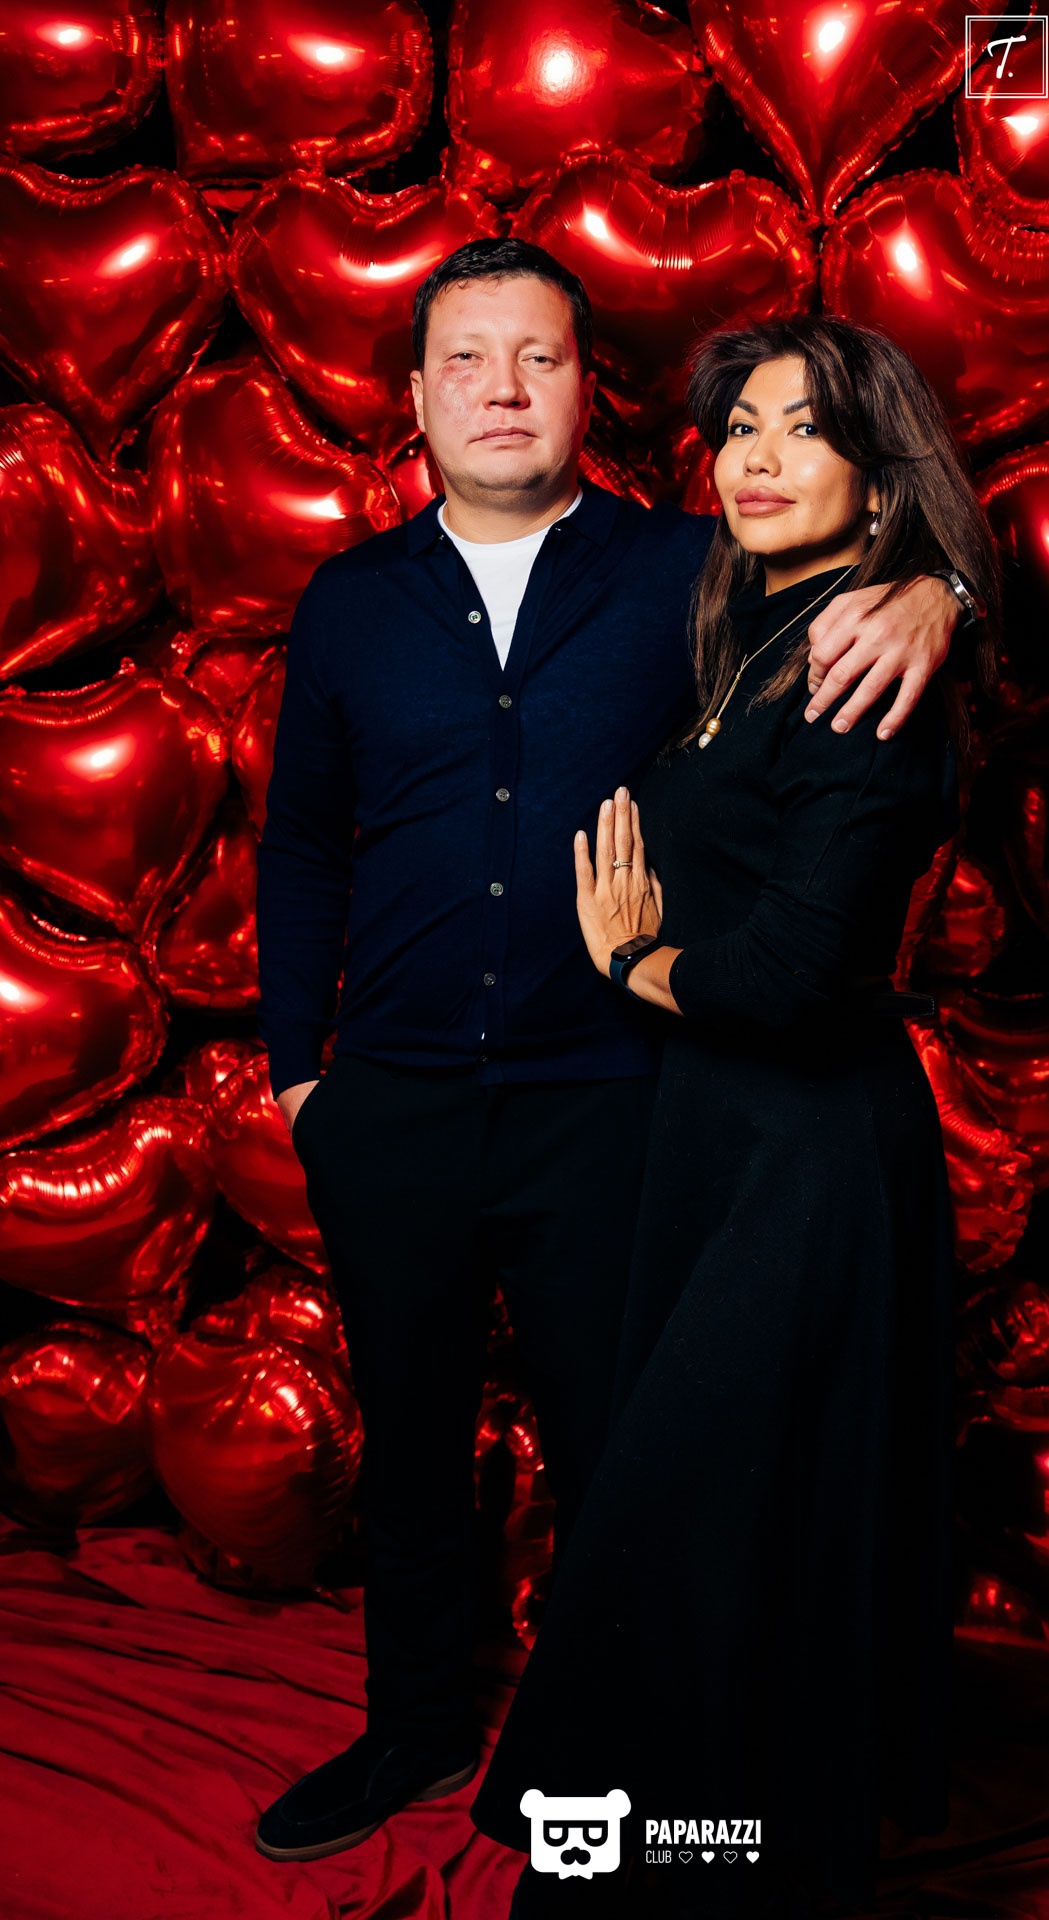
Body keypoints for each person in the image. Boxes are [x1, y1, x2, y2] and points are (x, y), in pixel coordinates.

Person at [250, 238, 975, 1866]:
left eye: (541, 357)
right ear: (416, 396)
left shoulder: (693, 568)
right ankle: (416, 1727)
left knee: (632, 1457)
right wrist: (305, 1075)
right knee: (409, 1443)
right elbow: (301, 845)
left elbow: (878, 546)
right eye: (467, 359)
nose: (503, 390)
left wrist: (948, 593)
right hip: (394, 1101)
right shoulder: (351, 601)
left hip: (620, 1100)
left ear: (591, 389)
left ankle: (631, 1787)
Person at [467, 315, 1002, 1919]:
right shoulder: (754, 618)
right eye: (740, 429)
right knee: (724, 1534)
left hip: (806, 1156)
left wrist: (636, 963)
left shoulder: (864, 664)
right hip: (715, 1140)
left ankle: (707, 1870)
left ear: (879, 476)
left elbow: (791, 978)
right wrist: (948, 582)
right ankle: (678, 1861)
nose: (758, 461)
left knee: (706, 1527)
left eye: (805, 431)